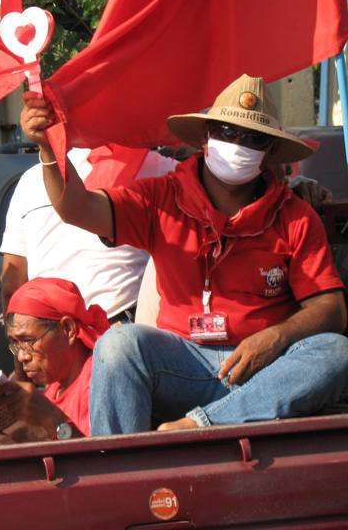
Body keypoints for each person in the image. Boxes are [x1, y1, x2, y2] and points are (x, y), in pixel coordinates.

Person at [20, 73, 348, 434]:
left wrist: (276, 338)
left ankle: (199, 425)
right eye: (226, 132)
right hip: (183, 364)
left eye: (252, 139)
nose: (237, 143)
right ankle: (114, 475)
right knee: (117, 344)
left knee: (335, 351)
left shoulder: (294, 215)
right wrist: (49, 149)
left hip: (264, 371)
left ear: (267, 152)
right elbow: (77, 208)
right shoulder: (162, 197)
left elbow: (330, 309)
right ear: (206, 141)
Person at [0, 147, 177, 320]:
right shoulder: (169, 171)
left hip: (50, 332)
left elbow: (12, 283)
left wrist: (21, 340)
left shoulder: (30, 179)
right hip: (119, 324)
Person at [0, 277, 109, 438]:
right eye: (15, 343)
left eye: (28, 341)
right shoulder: (55, 386)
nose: (21, 356)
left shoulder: (99, 383)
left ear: (68, 329)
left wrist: (52, 419)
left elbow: (106, 462)